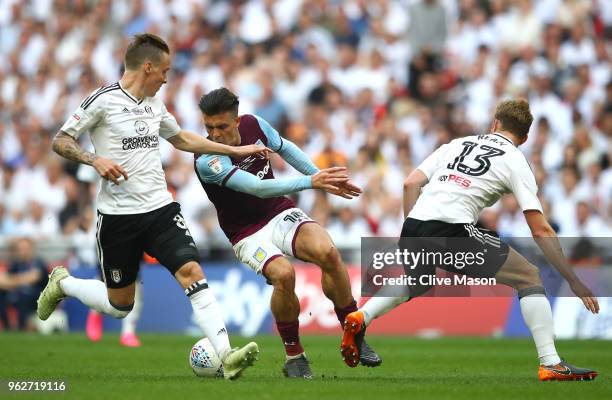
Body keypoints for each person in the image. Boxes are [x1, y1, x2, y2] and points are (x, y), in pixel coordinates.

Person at [36, 33, 267, 380]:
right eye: (164, 71)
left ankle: (227, 355)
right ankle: (64, 284)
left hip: (160, 210)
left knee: (192, 272)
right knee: (120, 305)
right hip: (117, 218)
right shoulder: (102, 101)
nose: (166, 77)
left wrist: (233, 151)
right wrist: (94, 159)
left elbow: (182, 139)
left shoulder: (155, 105)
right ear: (148, 66)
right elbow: (61, 140)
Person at [341, 99, 600, 381]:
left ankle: (360, 317)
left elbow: (410, 183)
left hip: (414, 224)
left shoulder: (457, 144)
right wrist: (573, 279)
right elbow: (540, 230)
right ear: (524, 138)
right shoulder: (515, 159)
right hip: (450, 229)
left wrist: (413, 232)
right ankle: (550, 362)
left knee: (418, 281)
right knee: (529, 276)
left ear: (495, 124)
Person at [193, 88, 381, 378]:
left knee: (328, 252)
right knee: (284, 275)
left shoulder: (254, 124)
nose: (215, 134)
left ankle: (354, 332)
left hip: (278, 211)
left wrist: (323, 178)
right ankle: (294, 355)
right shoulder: (207, 159)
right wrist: (310, 182)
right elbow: (256, 187)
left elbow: (285, 148)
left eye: (221, 126)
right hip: (246, 233)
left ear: (237, 120)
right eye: (209, 128)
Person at [0, 237, 48, 330]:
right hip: (18, 293)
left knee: (23, 296)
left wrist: (12, 281)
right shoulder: (16, 264)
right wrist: (22, 279)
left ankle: (23, 327)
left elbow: (33, 278)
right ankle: (7, 327)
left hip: (38, 297)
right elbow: (2, 280)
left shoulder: (38, 263)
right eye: (20, 249)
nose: (22, 251)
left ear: (31, 249)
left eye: (25, 248)